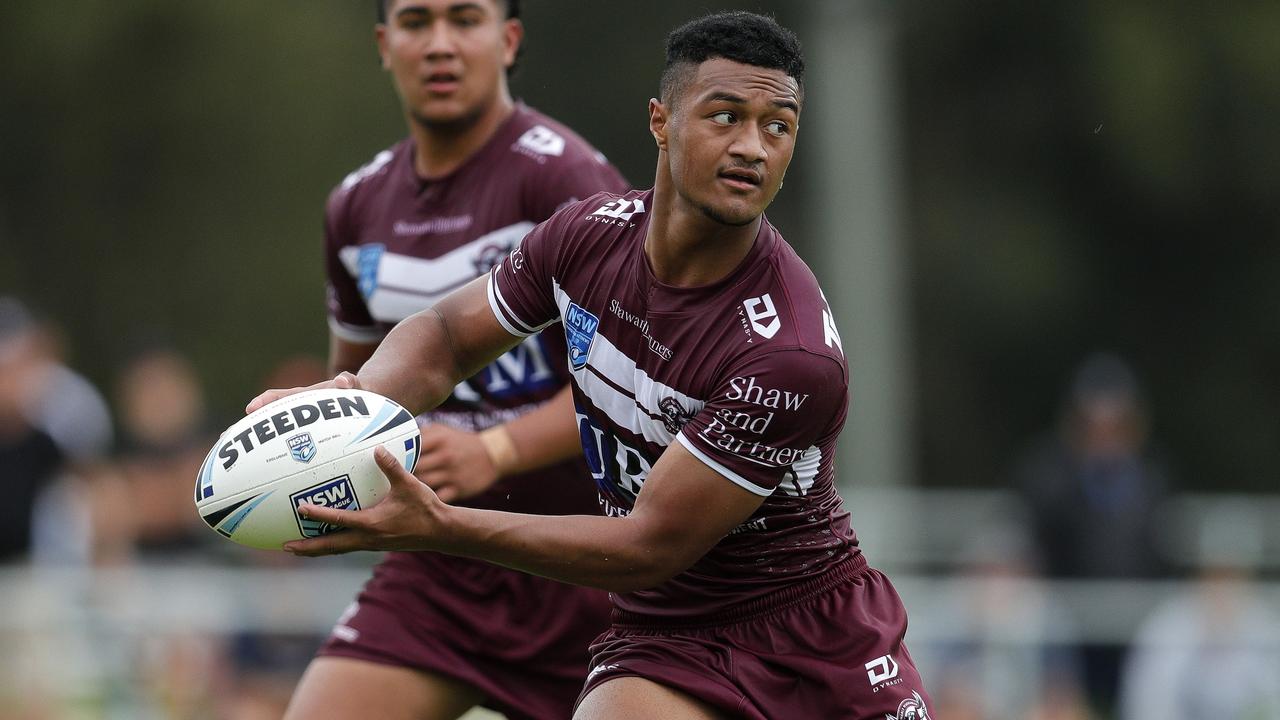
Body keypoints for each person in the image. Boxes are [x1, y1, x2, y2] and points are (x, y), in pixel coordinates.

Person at [255, 11, 931, 720]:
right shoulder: (588, 236)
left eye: (777, 126)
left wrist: (448, 516)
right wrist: (351, 398)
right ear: (660, 122)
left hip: (813, 647)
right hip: (668, 635)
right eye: (725, 116)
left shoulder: (789, 355)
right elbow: (448, 337)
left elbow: (647, 546)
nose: (752, 148)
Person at [283, 1, 629, 719]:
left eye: (463, 19)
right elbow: (358, 394)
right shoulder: (355, 207)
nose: (439, 44)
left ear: (507, 40)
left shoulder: (565, 177)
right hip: (437, 570)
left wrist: (495, 449)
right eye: (416, 22)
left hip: (589, 570)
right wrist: (297, 453)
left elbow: (637, 389)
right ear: (384, 44)